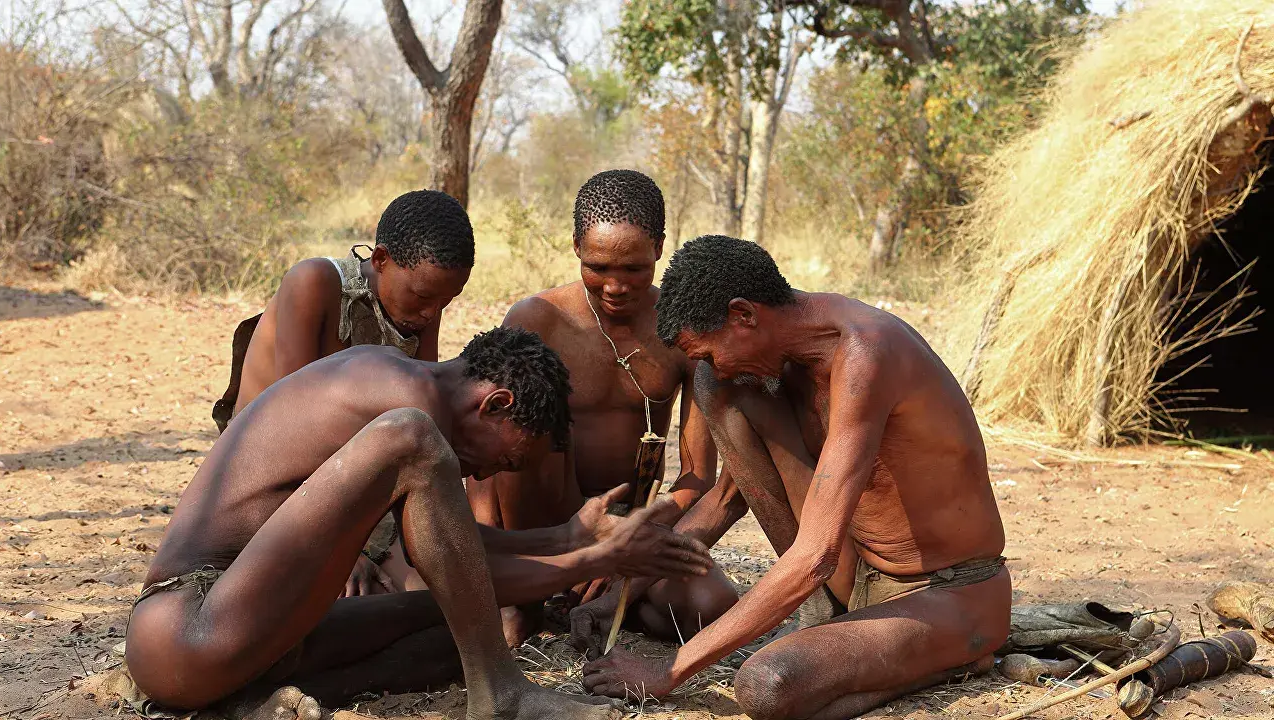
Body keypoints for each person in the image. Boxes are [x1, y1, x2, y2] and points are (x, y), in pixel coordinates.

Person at [125, 327, 713, 719]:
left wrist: (568, 537)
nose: (486, 474)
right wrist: (595, 560)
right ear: (496, 404)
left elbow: (455, 564)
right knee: (412, 437)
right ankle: (502, 693)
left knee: (459, 630)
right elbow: (453, 565)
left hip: (249, 641)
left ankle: (244, 703)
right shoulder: (407, 407)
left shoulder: (408, 392)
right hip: (190, 628)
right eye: (505, 459)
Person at [580, 235, 1010, 719]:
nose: (716, 367)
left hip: (944, 593)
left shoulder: (867, 353)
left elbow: (815, 557)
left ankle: (957, 657)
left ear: (743, 315)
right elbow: (725, 500)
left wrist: (670, 670)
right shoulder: (786, 360)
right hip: (855, 576)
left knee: (766, 686)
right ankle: (838, 624)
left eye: (710, 352)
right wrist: (618, 596)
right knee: (716, 387)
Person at [465, 169, 741, 645]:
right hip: (542, 523)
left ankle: (596, 597)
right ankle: (528, 600)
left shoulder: (682, 332)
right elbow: (487, 454)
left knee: (707, 605)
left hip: (630, 519)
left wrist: (631, 539)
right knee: (530, 437)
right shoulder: (539, 320)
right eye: (598, 267)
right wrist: (484, 552)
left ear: (659, 248)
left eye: (633, 269)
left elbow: (697, 477)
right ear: (576, 247)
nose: (615, 286)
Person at [212, 189, 474, 433]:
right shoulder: (313, 282)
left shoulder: (425, 301)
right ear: (380, 259)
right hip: (265, 447)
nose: (431, 312)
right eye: (423, 296)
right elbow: (291, 410)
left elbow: (424, 401)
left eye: (448, 299)